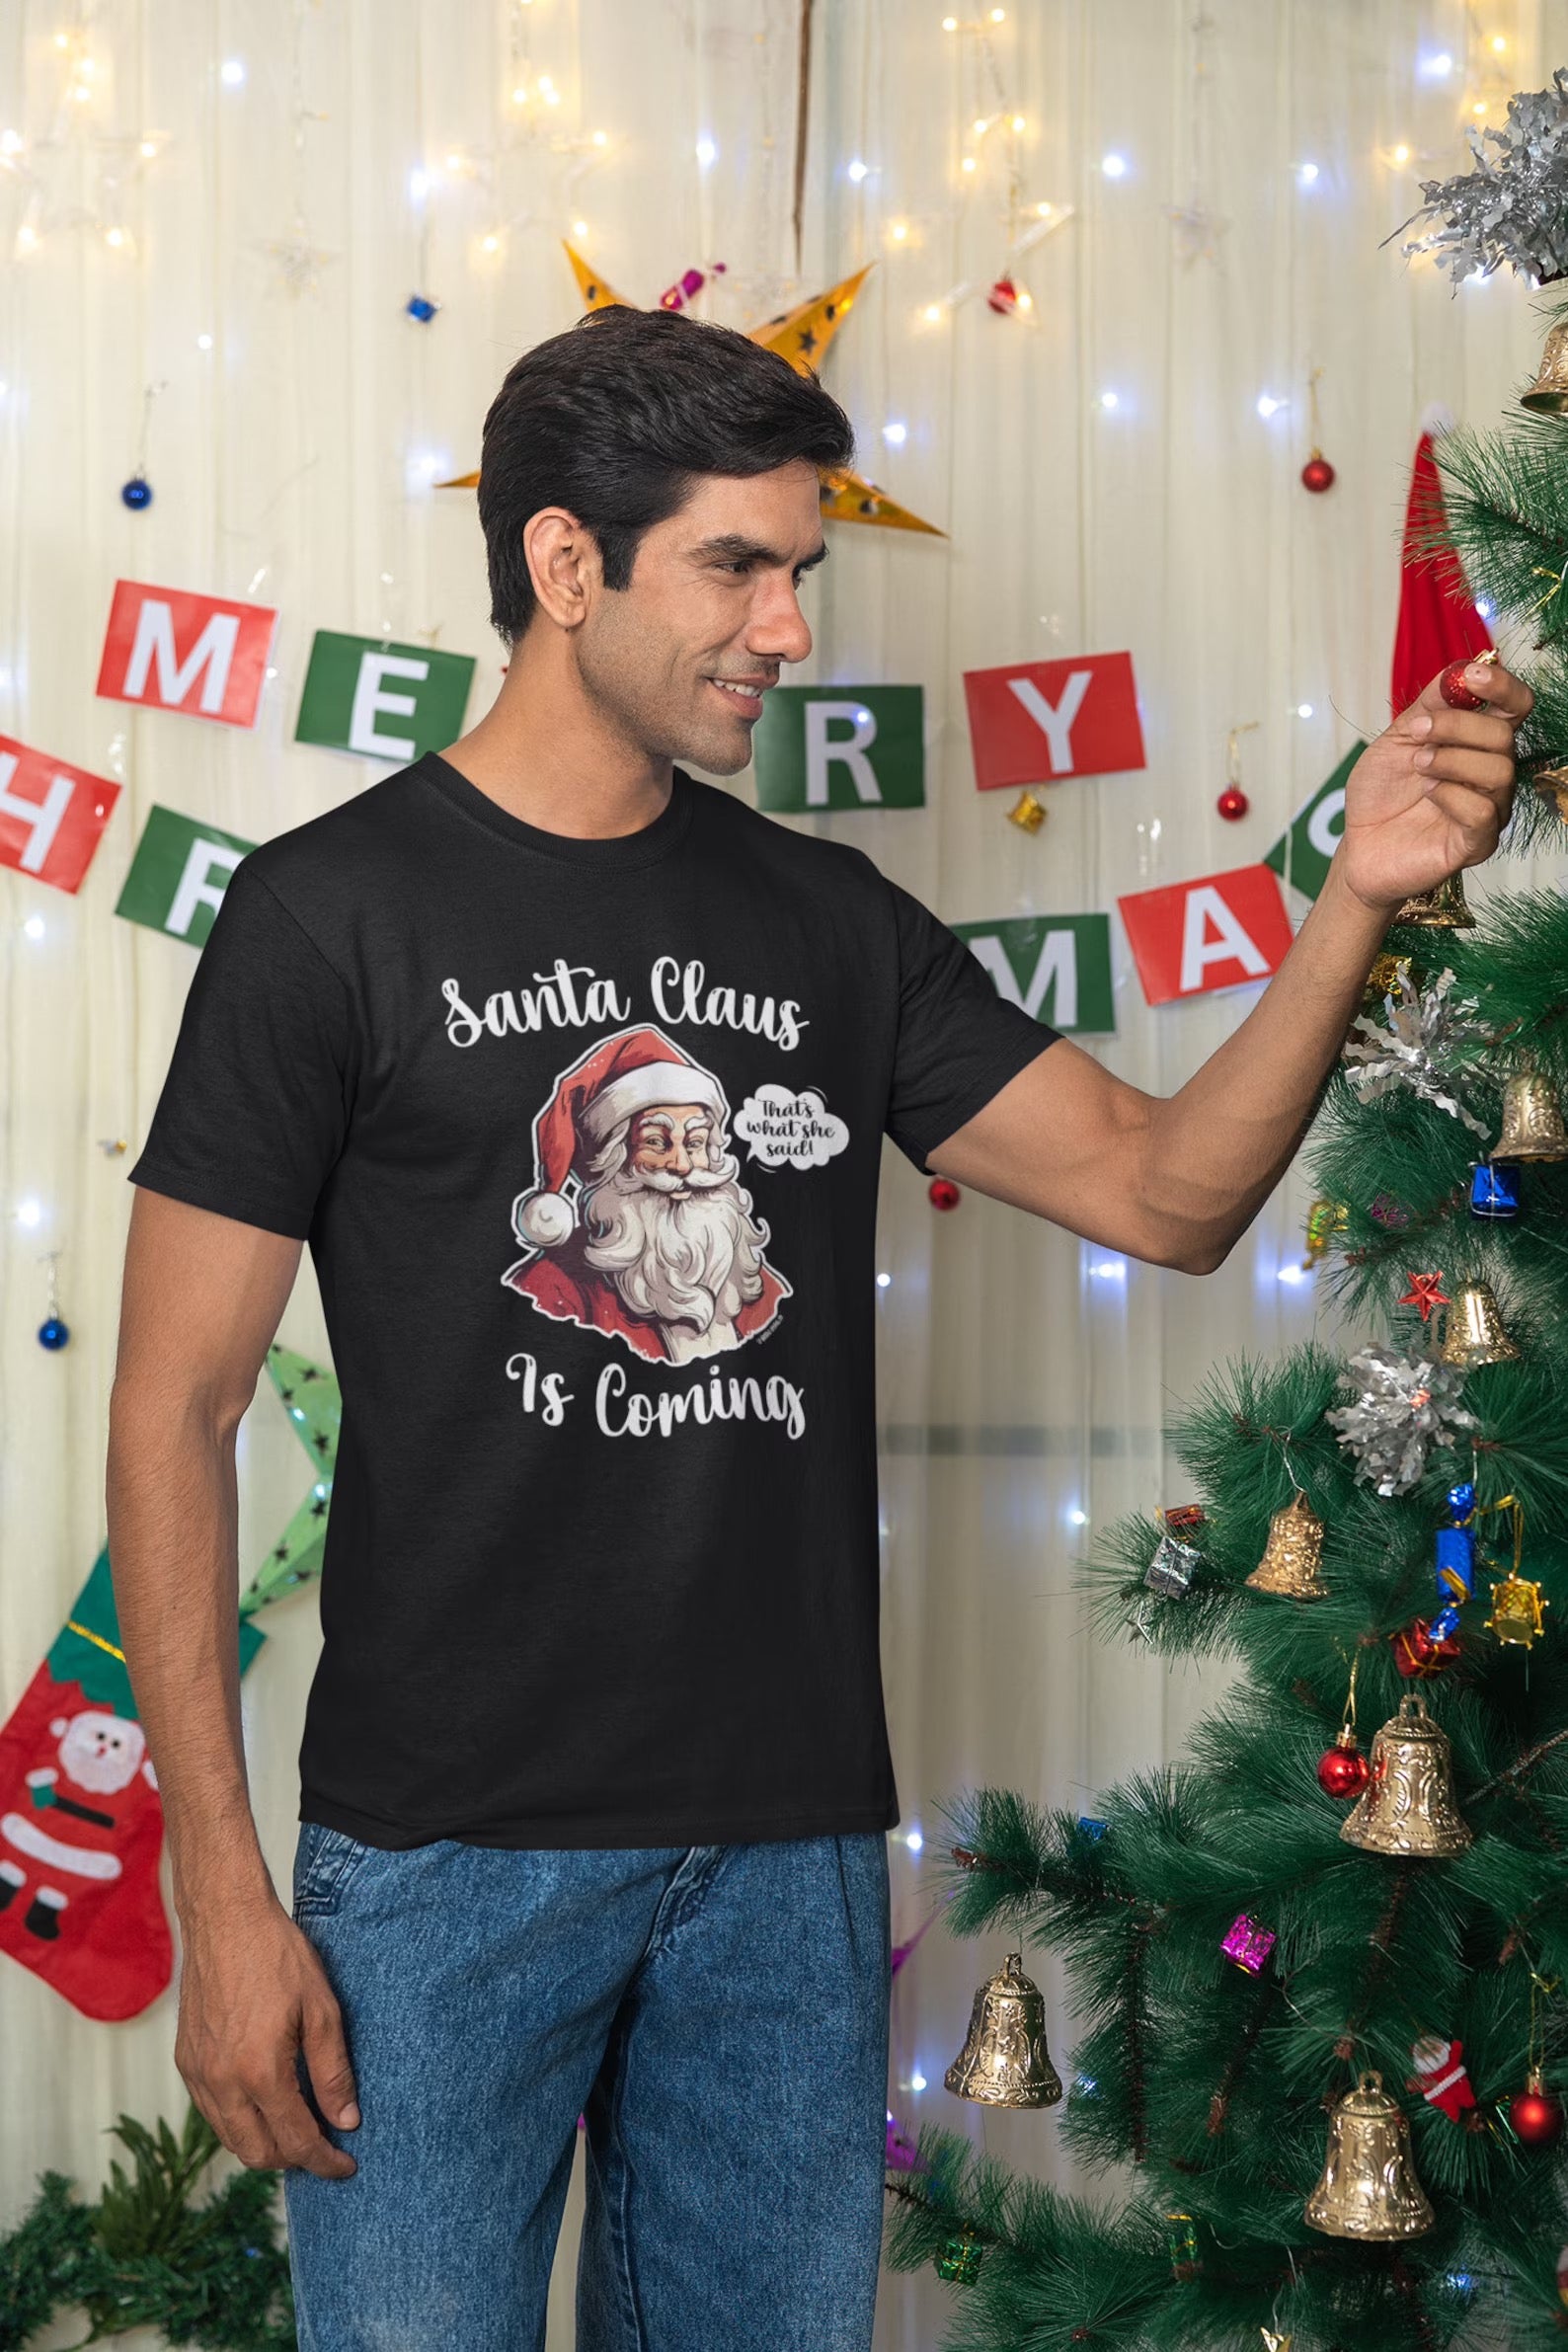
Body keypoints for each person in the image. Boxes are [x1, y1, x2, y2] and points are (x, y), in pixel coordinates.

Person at [105, 300, 1529, 2352]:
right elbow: (177, 1410)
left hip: (779, 1866)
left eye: (804, 574)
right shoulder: (327, 917)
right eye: (735, 567)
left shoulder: (820, 920)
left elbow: (1165, 1194)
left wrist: (1351, 902)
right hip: (435, 1873)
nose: (784, 629)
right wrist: (219, 1896)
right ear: (562, 563)